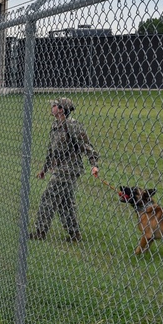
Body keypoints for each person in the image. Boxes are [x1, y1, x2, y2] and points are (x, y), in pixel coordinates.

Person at [30, 97, 100, 243]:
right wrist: (44, 168)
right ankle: (74, 234)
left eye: (54, 105)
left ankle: (40, 231)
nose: (52, 107)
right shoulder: (56, 125)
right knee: (65, 202)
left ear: (61, 109)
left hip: (69, 168)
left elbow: (86, 146)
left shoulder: (72, 125)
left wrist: (94, 164)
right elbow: (52, 150)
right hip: (60, 167)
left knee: (48, 197)